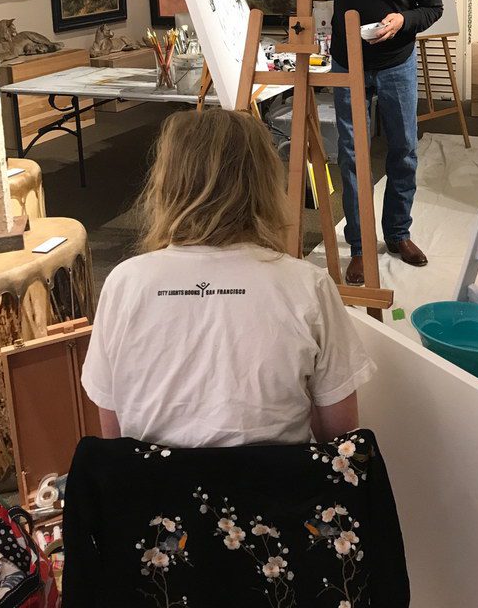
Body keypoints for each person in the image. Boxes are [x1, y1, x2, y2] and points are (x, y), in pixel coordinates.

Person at [81, 109, 375, 447]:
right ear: (265, 182)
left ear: (165, 183)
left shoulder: (124, 282)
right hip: (277, 494)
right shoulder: (308, 285)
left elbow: (115, 434)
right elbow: (339, 436)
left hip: (158, 495)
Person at [231, 0, 443, 285]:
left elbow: (432, 8)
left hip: (397, 63)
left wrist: (404, 21)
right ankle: (361, 244)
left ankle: (398, 233)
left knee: (403, 151)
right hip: (349, 62)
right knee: (353, 153)